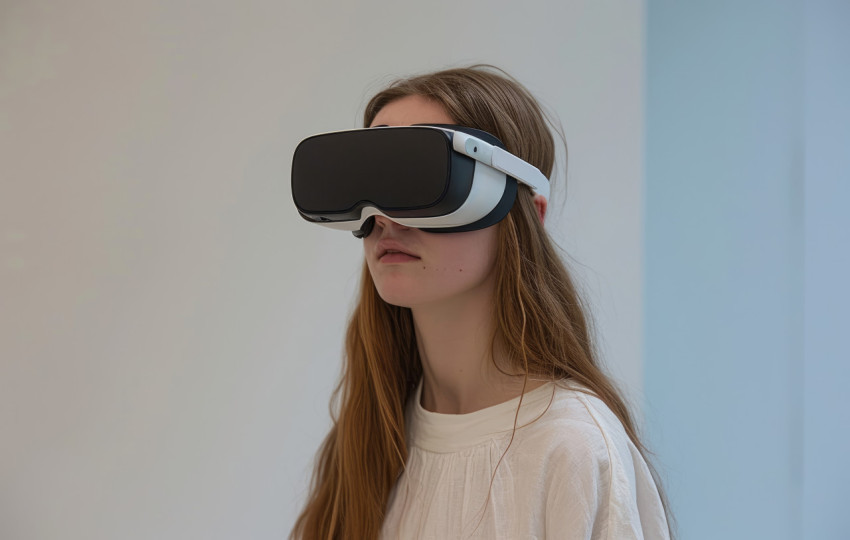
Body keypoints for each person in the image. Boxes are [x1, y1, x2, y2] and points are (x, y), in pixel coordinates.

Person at [290, 65, 673, 539]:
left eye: (419, 180)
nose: (384, 218)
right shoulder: (372, 441)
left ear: (527, 214)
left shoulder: (573, 446)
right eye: (367, 183)